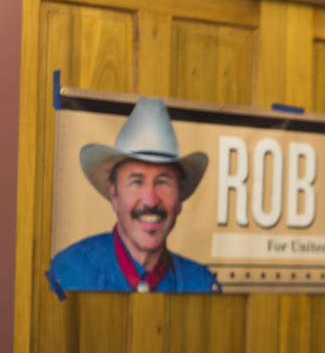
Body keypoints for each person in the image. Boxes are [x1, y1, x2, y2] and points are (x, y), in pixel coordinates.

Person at [47, 97, 221, 294]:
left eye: (163, 182)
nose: (150, 200)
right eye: (136, 182)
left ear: (180, 197)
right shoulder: (66, 274)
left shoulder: (202, 285)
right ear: (114, 193)